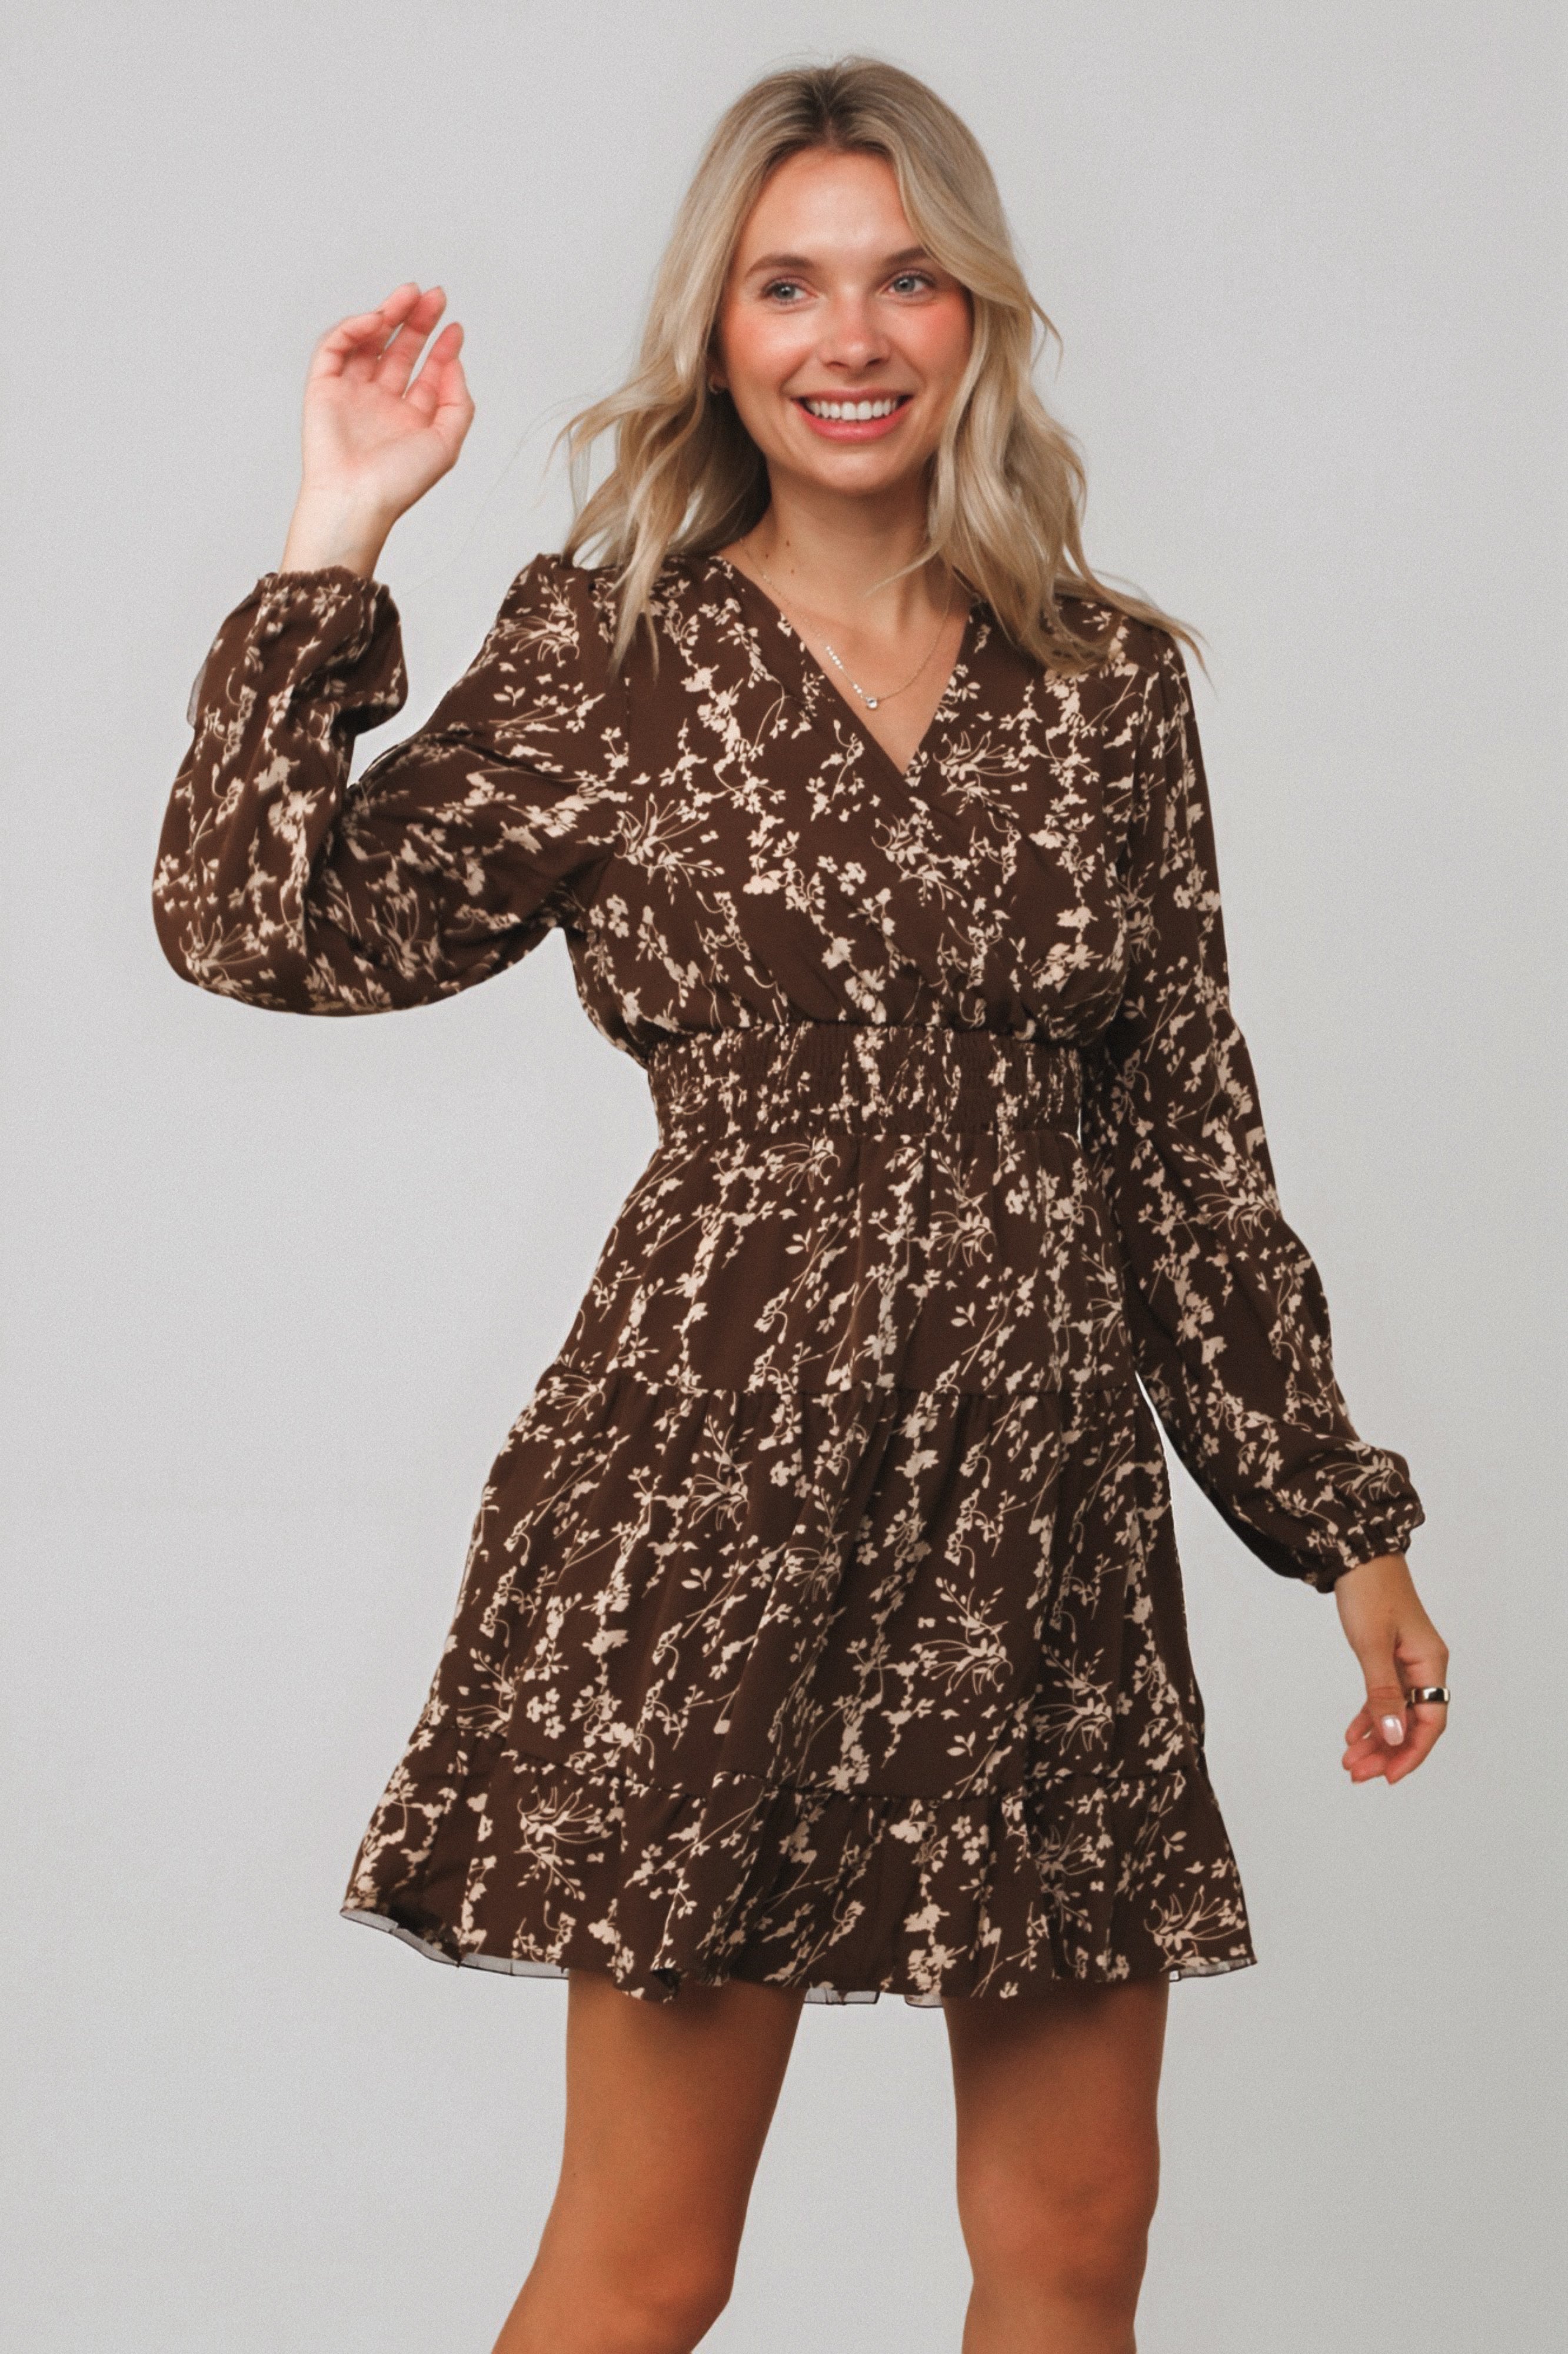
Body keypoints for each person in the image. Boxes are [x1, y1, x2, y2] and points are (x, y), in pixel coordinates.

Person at [151, 54, 1449, 2354]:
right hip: (712, 1514)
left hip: (1033, 1533)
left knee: (1073, 2248)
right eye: (789, 284)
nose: (849, 335)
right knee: (653, 2262)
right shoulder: (607, 647)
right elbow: (268, 924)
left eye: (903, 278)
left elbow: (1180, 1127)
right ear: (720, 330)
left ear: (976, 320)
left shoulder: (1107, 686)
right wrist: (335, 529)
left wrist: (1336, 1521)